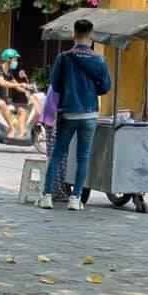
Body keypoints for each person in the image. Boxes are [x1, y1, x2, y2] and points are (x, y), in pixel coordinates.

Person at [38, 19, 112, 212]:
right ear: (91, 35)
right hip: (89, 114)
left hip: (68, 113)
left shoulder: (64, 58)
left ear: (74, 34)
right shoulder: (99, 60)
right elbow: (105, 87)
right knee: (83, 157)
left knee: (57, 154)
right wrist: (91, 89)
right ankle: (75, 198)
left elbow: (55, 84)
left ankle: (47, 196)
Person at [0, 48, 31, 139]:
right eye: (15, 59)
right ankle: (11, 129)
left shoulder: (9, 72)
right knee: (2, 104)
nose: (16, 62)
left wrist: (26, 89)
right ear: (8, 59)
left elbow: (17, 86)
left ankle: (22, 133)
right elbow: (2, 83)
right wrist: (19, 84)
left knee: (23, 111)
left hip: (3, 97)